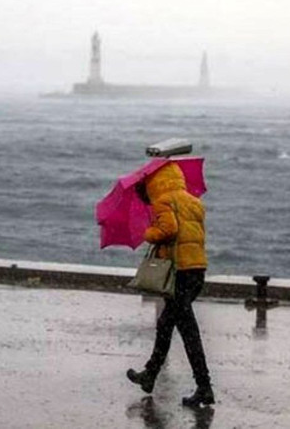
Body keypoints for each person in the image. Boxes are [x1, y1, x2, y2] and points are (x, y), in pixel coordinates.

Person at [126, 162, 214, 407]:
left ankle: (204, 387)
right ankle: (151, 375)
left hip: (179, 273)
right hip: (196, 270)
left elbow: (169, 229)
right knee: (169, 325)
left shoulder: (163, 201)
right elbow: (192, 234)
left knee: (185, 331)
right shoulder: (194, 201)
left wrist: (149, 233)